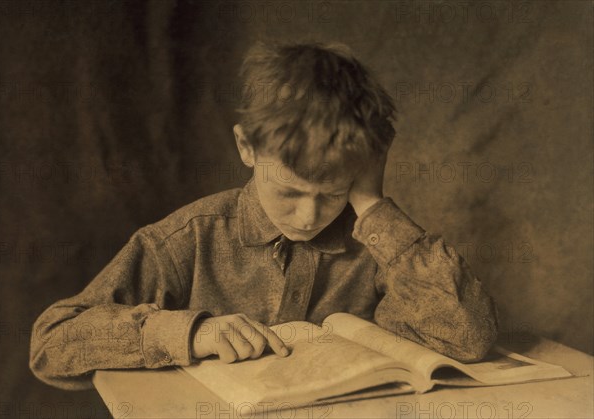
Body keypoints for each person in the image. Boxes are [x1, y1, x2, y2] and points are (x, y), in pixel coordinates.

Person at [30, 41, 498, 390]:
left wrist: (372, 204)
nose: (309, 215)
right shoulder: (186, 240)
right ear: (246, 148)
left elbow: (468, 338)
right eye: (290, 191)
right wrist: (192, 333)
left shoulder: (375, 246)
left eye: (332, 194)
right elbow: (52, 344)